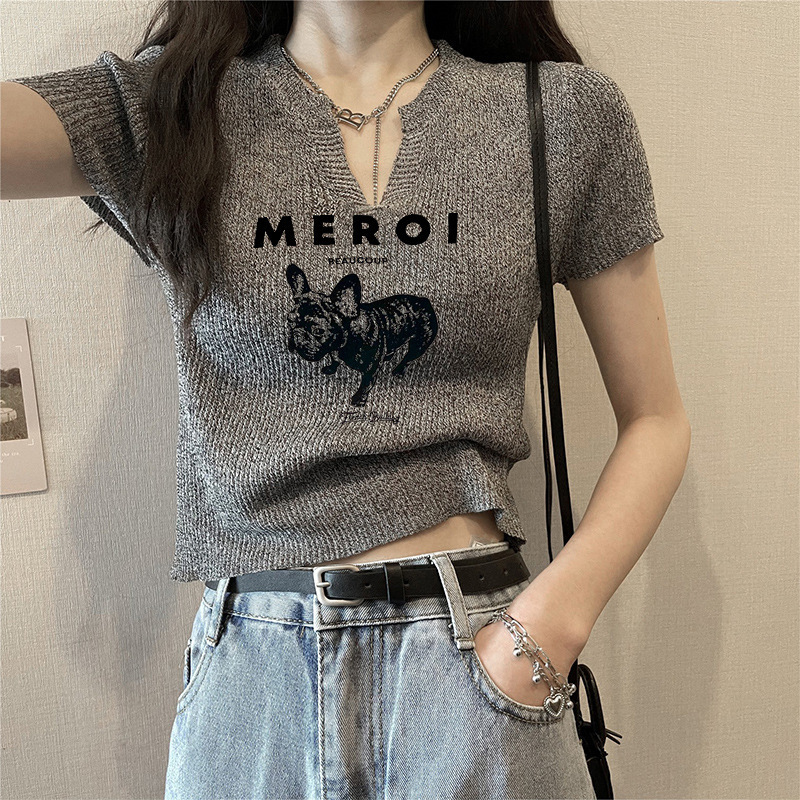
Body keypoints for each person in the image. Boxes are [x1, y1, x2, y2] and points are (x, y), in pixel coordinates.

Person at [1, 1, 691, 797]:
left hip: (479, 663)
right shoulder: (172, 109)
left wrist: (547, 631)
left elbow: (656, 420)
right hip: (256, 678)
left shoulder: (560, 115)